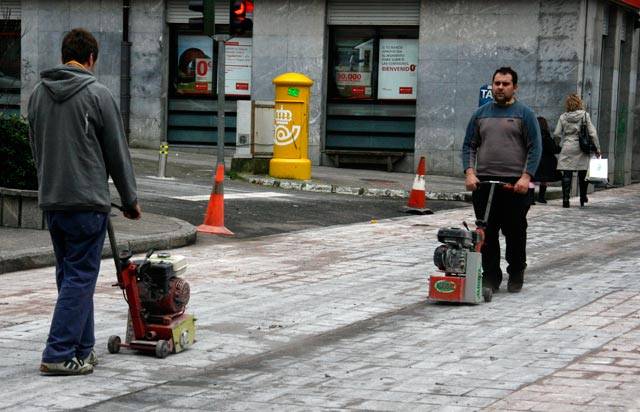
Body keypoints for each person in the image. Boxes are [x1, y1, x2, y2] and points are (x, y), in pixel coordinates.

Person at [28, 28, 141, 376]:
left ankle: (82, 349)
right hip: (86, 203)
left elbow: (36, 149)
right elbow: (116, 154)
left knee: (72, 277)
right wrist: (130, 199)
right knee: (80, 277)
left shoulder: (37, 95)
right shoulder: (97, 94)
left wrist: (47, 187)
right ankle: (59, 353)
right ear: (91, 58)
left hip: (53, 203)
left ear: (64, 55)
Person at [462, 67, 542, 293]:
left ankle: (516, 271)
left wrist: (526, 177)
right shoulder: (480, 114)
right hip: (485, 183)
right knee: (486, 234)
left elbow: (535, 147)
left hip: (515, 185)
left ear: (514, 87)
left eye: (505, 84)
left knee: (515, 231)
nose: (500, 87)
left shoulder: (524, 114)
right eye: (497, 83)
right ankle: (491, 277)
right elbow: (469, 145)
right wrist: (469, 172)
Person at [553, 93, 601, 208]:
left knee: (567, 174)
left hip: (567, 146)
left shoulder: (563, 117)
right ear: (579, 103)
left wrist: (558, 144)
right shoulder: (585, 115)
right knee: (582, 173)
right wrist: (597, 148)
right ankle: (582, 197)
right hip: (582, 148)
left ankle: (565, 200)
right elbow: (592, 133)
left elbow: (556, 133)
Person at [531, 116, 562, 204]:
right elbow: (553, 149)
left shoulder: (531, 135)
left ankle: (531, 198)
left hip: (534, 160)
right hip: (545, 162)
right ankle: (541, 198)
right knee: (543, 180)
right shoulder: (546, 136)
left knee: (532, 180)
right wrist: (560, 148)